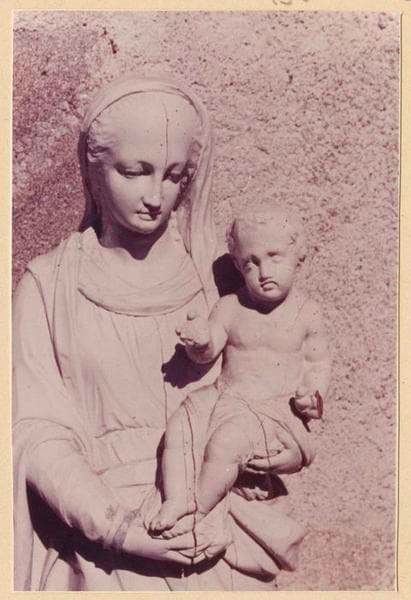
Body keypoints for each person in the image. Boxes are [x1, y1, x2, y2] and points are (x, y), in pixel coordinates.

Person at [13, 76, 311, 592]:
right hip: (105, 547)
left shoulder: (220, 280)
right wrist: (118, 529)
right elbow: (36, 432)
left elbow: (272, 376)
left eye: (173, 176)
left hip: (217, 533)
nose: (155, 196)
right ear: (94, 168)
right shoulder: (49, 286)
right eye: (134, 172)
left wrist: (282, 443)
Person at [149, 208, 331, 541]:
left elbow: (317, 364)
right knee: (180, 426)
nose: (264, 272)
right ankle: (175, 499)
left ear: (298, 259)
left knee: (227, 442)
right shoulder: (230, 306)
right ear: (237, 265)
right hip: (223, 396)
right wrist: (199, 341)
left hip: (272, 412)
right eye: (251, 263)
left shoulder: (307, 313)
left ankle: (197, 509)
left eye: (274, 257)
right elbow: (209, 350)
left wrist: (313, 398)